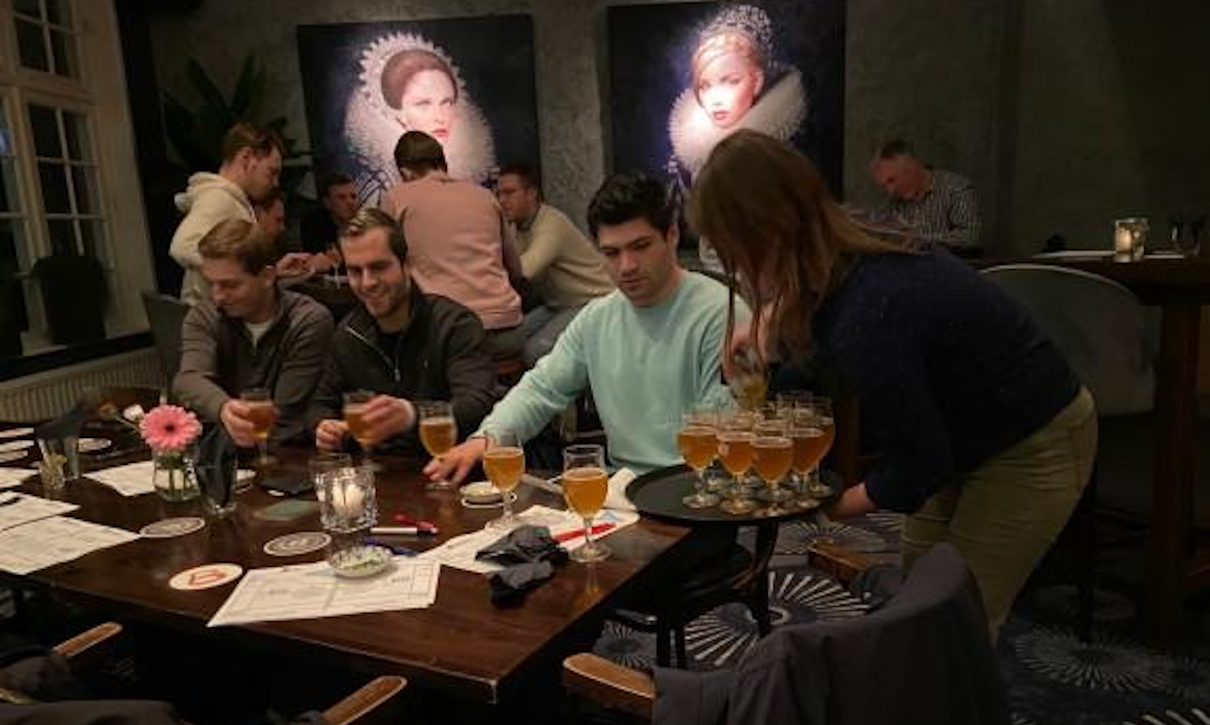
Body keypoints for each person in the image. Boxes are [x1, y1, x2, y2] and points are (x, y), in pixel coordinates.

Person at [689, 129, 1096, 638]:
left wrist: (823, 505)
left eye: (732, 251)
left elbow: (919, 467)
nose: (734, 269)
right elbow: (815, 370)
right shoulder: (841, 250)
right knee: (915, 606)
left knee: (954, 625)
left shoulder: (870, 307)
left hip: (1033, 438)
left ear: (767, 233)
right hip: (961, 435)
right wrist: (768, 343)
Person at [427, 172, 736, 483]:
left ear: (672, 236)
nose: (626, 266)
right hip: (623, 493)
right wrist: (487, 439)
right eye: (611, 253)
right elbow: (542, 388)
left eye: (640, 246)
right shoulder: (597, 317)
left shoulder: (721, 313)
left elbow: (724, 436)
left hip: (696, 492)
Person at [307, 208, 496, 458]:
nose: (367, 282)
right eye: (355, 271)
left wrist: (410, 415)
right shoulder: (348, 333)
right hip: (382, 476)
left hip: (453, 470)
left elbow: (476, 407)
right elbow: (319, 405)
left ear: (407, 265)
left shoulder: (454, 324)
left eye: (379, 267)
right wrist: (324, 428)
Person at [666, 4, 807, 272]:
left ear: (755, 82)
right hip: (713, 274)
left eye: (730, 81)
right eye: (705, 86)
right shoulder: (690, 153)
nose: (716, 98)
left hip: (767, 273)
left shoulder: (776, 154)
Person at [174, 219, 334, 446]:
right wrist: (223, 408)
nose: (218, 296)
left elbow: (284, 414)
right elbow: (188, 379)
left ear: (268, 277)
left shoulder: (308, 320)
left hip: (291, 452)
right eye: (212, 284)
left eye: (230, 285)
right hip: (225, 452)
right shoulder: (205, 315)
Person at [380, 131, 525, 361]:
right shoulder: (485, 196)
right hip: (505, 332)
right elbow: (516, 269)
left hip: (444, 333)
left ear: (405, 172)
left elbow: (383, 263)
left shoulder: (397, 198)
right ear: (442, 163)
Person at [344, 33, 495, 203]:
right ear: (397, 112)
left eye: (447, 102)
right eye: (424, 104)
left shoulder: (476, 182)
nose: (440, 117)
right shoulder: (380, 186)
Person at [496, 163, 614, 366]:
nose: (501, 201)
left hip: (593, 301)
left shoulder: (551, 223)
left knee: (534, 352)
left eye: (509, 193)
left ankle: (572, 395)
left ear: (531, 193)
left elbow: (525, 271)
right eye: (499, 194)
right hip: (558, 304)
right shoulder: (517, 228)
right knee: (510, 342)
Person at [170, 122, 282, 306]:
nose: (275, 182)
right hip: (213, 322)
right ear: (246, 158)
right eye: (272, 172)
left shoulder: (228, 198)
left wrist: (268, 271)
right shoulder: (219, 198)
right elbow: (181, 246)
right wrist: (233, 277)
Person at [868, 139, 982, 255]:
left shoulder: (956, 188)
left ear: (912, 166)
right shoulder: (891, 202)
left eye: (892, 180)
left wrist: (923, 240)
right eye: (883, 186)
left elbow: (971, 236)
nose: (890, 191)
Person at [298, 172, 359, 265]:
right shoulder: (314, 224)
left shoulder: (367, 224)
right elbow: (316, 262)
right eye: (341, 197)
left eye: (353, 196)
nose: (350, 202)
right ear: (327, 203)